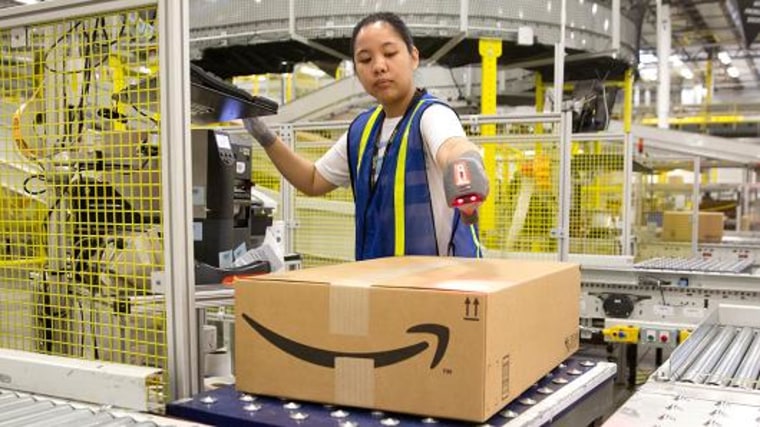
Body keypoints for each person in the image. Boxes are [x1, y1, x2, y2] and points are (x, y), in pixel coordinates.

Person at [243, 12, 489, 261]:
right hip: (379, 281)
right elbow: (313, 180)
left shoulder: (432, 114)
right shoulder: (362, 130)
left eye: (390, 53)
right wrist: (266, 137)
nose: (379, 66)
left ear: (414, 57)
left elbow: (452, 147)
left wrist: (464, 166)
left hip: (438, 285)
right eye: (365, 59)